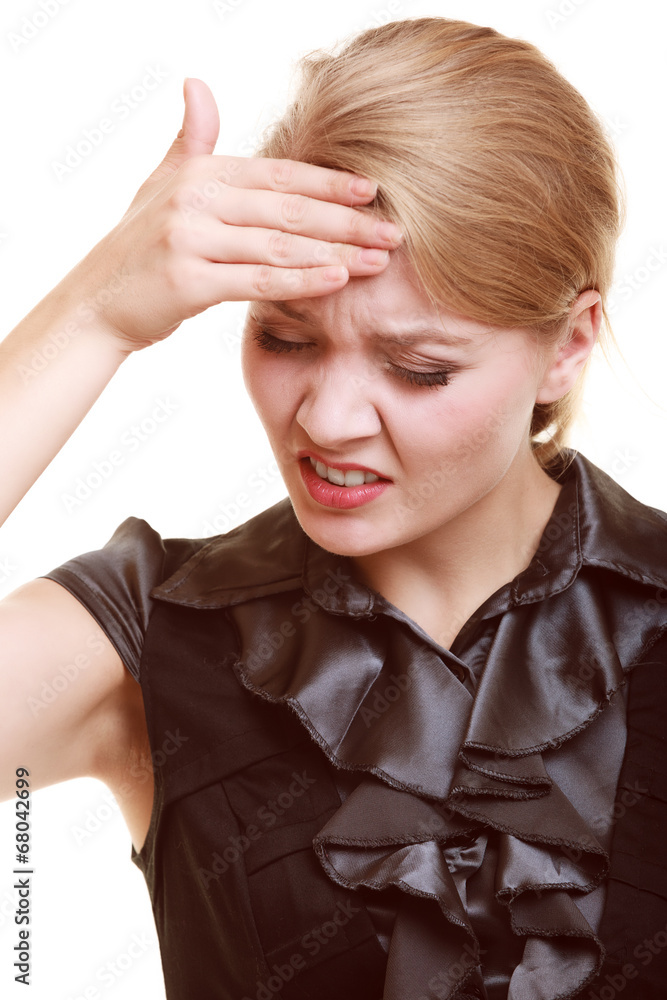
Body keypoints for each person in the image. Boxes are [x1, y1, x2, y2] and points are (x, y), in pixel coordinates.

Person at [1, 14, 666, 1000]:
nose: (327, 416)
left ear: (568, 344)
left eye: (417, 365)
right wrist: (94, 313)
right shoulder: (150, 632)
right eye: (285, 337)